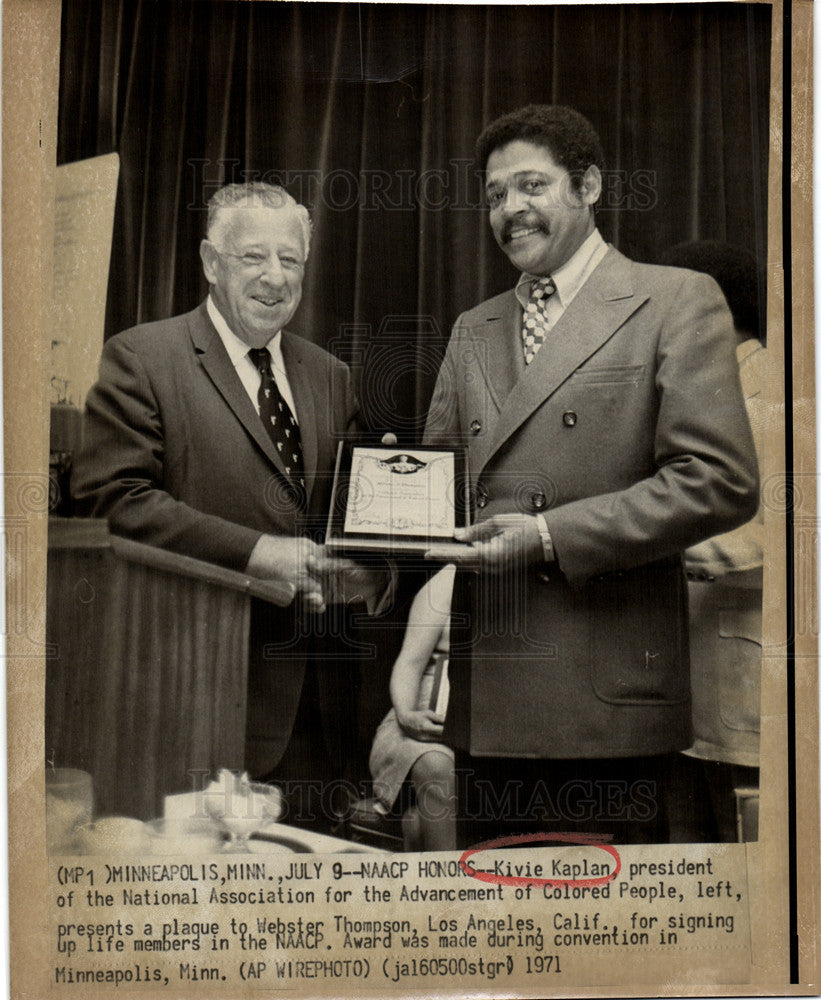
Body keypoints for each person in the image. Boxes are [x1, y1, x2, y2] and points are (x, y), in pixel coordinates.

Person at [423, 105, 760, 845]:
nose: (509, 209)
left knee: (601, 945)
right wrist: (382, 530)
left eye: (531, 186)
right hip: (486, 713)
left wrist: (548, 536)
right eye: (492, 195)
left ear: (590, 186)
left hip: (608, 711)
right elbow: (439, 495)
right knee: (491, 942)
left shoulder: (673, 300)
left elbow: (719, 479)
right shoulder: (470, 329)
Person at [73, 182, 384, 827]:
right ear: (212, 263)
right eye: (253, 258)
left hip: (318, 721)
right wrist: (255, 553)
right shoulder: (141, 357)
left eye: (290, 260)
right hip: (193, 699)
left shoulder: (331, 375)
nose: (275, 278)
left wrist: (374, 571)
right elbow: (114, 501)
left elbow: (346, 519)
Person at [657, 242, 766, 842]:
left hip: (744, 688)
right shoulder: (712, 395)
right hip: (692, 694)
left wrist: (648, 550)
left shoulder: (770, 389)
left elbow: (773, 535)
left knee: (746, 878)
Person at [370, 564, 457, 852]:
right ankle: (445, 889)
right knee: (437, 765)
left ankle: (420, 825)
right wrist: (407, 715)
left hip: (496, 732)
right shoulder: (448, 581)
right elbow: (409, 663)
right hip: (420, 726)